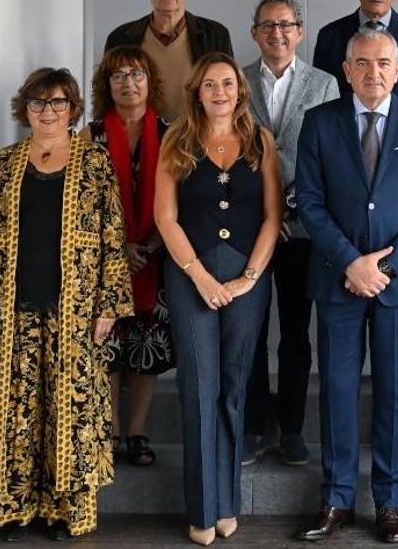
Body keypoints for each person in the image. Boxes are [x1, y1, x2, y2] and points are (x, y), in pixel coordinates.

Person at [0, 68, 132, 540]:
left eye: (58, 102)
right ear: (25, 109)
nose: (48, 111)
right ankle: (13, 510)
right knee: (13, 413)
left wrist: (107, 305)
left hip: (75, 311)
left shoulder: (94, 162)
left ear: (72, 108)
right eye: (38, 102)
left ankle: (64, 513)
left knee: (69, 413)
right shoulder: (3, 164)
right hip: (9, 312)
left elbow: (113, 235)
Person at [294, 29, 398, 544]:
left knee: (394, 392)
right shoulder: (319, 122)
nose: (373, 72)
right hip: (338, 279)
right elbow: (309, 202)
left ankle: (388, 501)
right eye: (362, 62)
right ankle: (337, 498)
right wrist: (351, 263)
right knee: (337, 390)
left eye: (383, 63)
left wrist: (388, 265)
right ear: (346, 69)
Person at [154, 52, 282, 546]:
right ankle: (202, 510)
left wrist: (250, 276)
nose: (220, 92)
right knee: (199, 388)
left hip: (247, 278)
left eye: (227, 83)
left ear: (240, 90)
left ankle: (227, 503)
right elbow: (166, 218)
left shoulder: (260, 141)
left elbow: (273, 216)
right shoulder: (177, 140)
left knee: (232, 386)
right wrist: (199, 276)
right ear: (197, 92)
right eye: (210, 84)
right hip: (192, 276)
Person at [241, 0, 340, 467]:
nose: (277, 33)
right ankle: (256, 426)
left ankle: (293, 428)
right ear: (254, 33)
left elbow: (331, 157)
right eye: (267, 25)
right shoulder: (236, 82)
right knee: (252, 330)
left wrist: (288, 208)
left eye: (285, 25)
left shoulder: (324, 84)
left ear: (300, 32)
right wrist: (264, 213)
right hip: (249, 229)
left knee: (297, 333)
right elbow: (227, 153)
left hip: (302, 229)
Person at [86, 46, 174, 468]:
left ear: (149, 81)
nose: (128, 83)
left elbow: (179, 201)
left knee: (145, 348)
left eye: (137, 74)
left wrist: (149, 245)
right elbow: (83, 205)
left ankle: (137, 432)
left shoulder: (171, 133)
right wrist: (118, 249)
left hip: (157, 255)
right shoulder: (90, 137)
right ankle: (109, 432)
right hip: (105, 260)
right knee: (108, 348)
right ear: (107, 85)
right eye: (118, 75)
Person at [105, 0, 234, 120]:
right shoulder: (120, 38)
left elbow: (228, 93)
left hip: (197, 134)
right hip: (140, 134)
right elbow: (106, 97)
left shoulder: (215, 35)